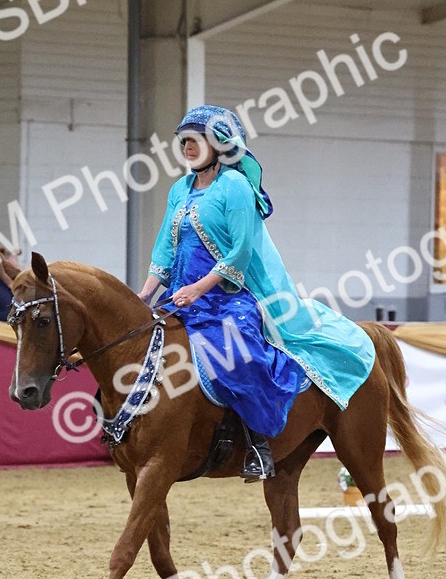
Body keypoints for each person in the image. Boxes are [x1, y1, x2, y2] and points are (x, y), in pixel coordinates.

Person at [138, 104, 376, 481]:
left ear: (219, 144)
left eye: (194, 139)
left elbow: (240, 251)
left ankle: (258, 446)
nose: (186, 146)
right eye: (183, 140)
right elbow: (164, 251)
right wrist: (144, 298)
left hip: (231, 297)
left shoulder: (234, 187)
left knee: (241, 356)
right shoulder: (178, 189)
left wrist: (199, 288)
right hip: (183, 300)